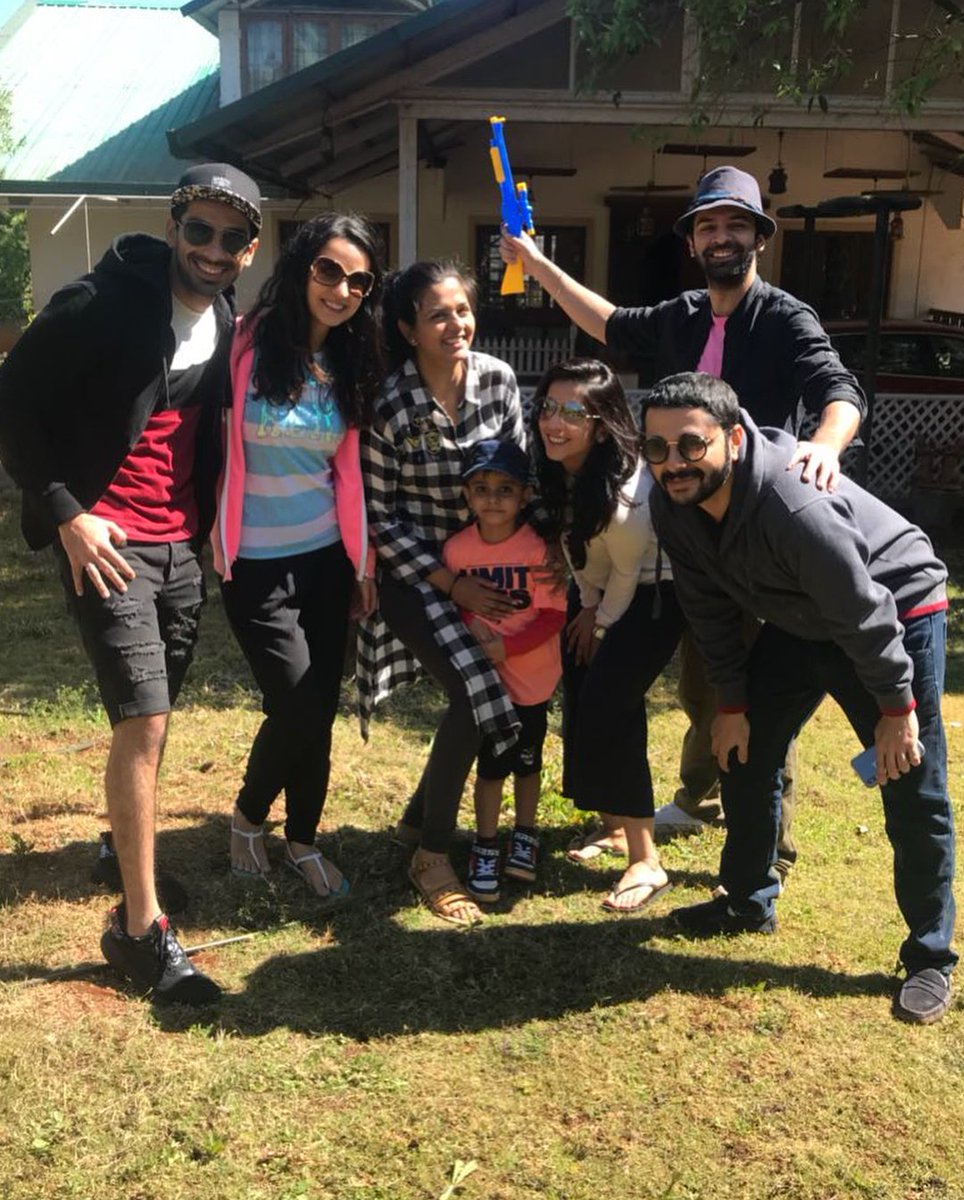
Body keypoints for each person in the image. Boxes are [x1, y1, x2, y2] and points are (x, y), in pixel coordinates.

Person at [501, 165, 865, 880]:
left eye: (735, 224)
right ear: (694, 241)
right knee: (706, 683)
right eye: (707, 225)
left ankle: (770, 851)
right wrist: (537, 264)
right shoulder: (683, 314)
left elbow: (838, 389)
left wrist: (825, 446)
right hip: (687, 536)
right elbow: (604, 321)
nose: (721, 236)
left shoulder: (785, 317)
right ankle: (700, 798)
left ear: (758, 237)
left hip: (760, 531)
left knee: (759, 695)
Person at [0, 163, 261, 1003]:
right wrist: (69, 513)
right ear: (174, 224)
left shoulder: (222, 316)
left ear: (249, 249)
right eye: (199, 231)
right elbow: (13, 402)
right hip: (109, 542)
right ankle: (139, 931)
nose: (212, 250)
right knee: (143, 718)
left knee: (154, 711)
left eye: (231, 237)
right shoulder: (99, 301)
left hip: (183, 545)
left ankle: (122, 848)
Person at [643, 371, 956, 1025]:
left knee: (911, 781)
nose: (673, 463)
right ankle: (748, 900)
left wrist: (896, 714)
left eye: (691, 446)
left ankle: (930, 957)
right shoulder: (673, 504)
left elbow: (862, 611)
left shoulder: (792, 503)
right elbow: (708, 610)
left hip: (892, 607)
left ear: (732, 437)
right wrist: (732, 704)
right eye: (658, 449)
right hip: (799, 617)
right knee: (744, 748)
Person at [212, 214, 383, 900]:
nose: (342, 290)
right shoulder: (245, 342)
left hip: (326, 562)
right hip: (253, 564)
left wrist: (363, 564)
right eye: (329, 271)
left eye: (359, 280)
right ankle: (250, 817)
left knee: (319, 706)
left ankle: (303, 839)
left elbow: (349, 476)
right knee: (299, 703)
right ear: (302, 267)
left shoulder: (348, 363)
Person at [358, 260, 526, 927]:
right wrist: (452, 582)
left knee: (491, 685)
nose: (456, 324)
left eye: (462, 309)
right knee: (473, 691)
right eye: (437, 314)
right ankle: (432, 854)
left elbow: (516, 477)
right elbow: (380, 516)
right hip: (418, 573)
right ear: (407, 328)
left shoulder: (500, 380)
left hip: (492, 570)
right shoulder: (389, 403)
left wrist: (512, 571)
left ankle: (414, 819)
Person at [533, 359, 685, 912]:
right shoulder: (559, 467)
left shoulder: (625, 491)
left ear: (600, 424)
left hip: (654, 591)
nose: (555, 421)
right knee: (581, 688)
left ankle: (646, 859)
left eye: (573, 412)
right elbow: (576, 550)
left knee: (612, 700)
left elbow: (627, 567)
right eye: (549, 407)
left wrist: (598, 622)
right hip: (599, 587)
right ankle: (614, 822)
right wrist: (588, 606)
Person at [442, 438, 566, 903]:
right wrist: (478, 633)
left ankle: (526, 834)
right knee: (491, 768)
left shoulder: (539, 550)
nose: (492, 498)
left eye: (505, 488)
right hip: (486, 687)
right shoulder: (456, 552)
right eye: (481, 487)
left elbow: (553, 616)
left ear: (525, 495)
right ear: (467, 496)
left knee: (528, 764)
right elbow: (454, 611)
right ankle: (486, 844)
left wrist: (507, 648)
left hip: (533, 681)